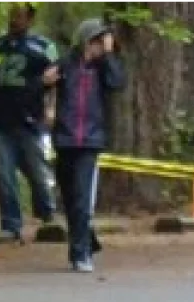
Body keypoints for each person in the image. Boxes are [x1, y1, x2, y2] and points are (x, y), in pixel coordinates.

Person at [0, 0, 60, 244]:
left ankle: (47, 216)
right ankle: (11, 225)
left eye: (20, 16)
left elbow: (55, 82)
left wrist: (52, 108)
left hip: (31, 121)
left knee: (38, 172)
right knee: (4, 175)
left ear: (30, 19)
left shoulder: (44, 47)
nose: (14, 20)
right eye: (12, 15)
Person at [48, 18, 125, 273]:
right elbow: (40, 90)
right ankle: (85, 240)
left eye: (102, 43)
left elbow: (117, 83)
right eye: (96, 42)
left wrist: (110, 54)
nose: (99, 48)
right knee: (69, 199)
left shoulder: (105, 68)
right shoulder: (65, 64)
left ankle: (80, 253)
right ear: (85, 41)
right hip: (64, 139)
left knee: (82, 198)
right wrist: (44, 82)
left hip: (90, 141)